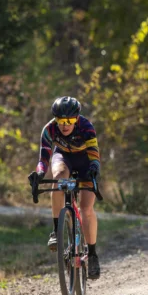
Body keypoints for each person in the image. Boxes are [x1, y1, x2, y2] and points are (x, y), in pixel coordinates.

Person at [28, 96, 101, 279]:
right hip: (63, 158)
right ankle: (56, 230)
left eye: (69, 121)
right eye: (60, 120)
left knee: (86, 208)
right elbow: (44, 158)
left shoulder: (86, 126)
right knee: (59, 179)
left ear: (76, 118)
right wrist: (39, 173)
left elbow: (94, 154)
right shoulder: (49, 129)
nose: (64, 125)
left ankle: (92, 254)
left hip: (84, 162)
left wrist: (94, 168)